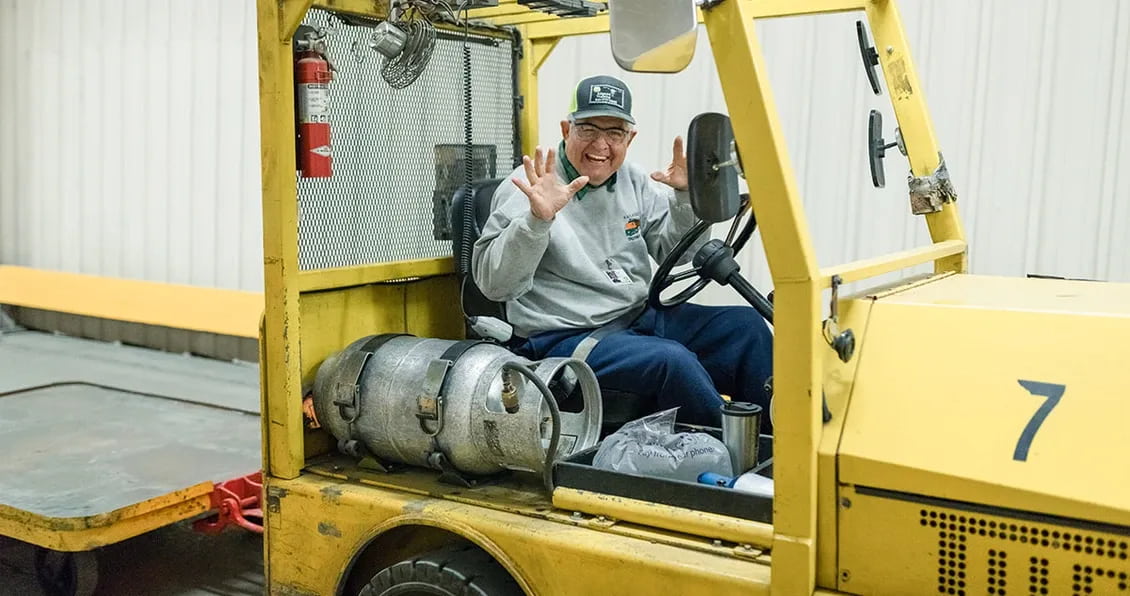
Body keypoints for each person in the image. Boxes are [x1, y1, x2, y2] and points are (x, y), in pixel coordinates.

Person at [471, 74, 772, 429]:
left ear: (630, 137)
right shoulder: (529, 189)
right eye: (588, 129)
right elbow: (495, 286)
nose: (601, 144)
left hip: (639, 318)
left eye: (614, 133)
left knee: (746, 328)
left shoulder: (633, 180)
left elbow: (682, 253)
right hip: (568, 336)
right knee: (672, 362)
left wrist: (687, 200)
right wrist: (537, 221)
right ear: (567, 129)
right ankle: (730, 460)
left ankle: (776, 444)